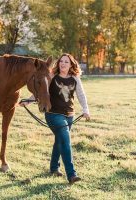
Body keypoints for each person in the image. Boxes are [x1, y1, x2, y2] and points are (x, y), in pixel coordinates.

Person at [20, 53, 90, 184]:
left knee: (59, 140)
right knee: (65, 140)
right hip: (53, 114)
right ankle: (71, 174)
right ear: (58, 64)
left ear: (71, 65)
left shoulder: (75, 78)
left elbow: (81, 94)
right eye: (61, 61)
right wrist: (28, 101)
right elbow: (41, 89)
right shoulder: (52, 76)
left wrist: (85, 109)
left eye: (66, 62)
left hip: (69, 115)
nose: (63, 64)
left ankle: (53, 168)